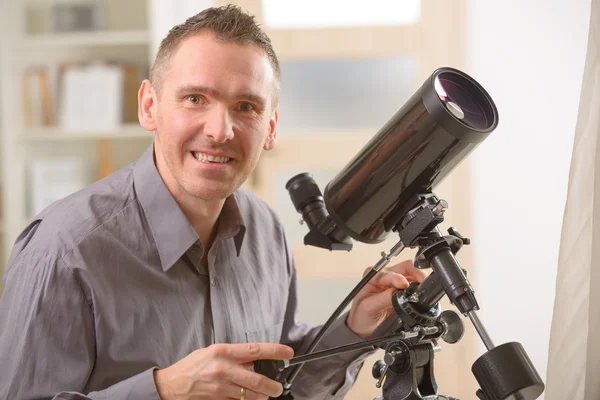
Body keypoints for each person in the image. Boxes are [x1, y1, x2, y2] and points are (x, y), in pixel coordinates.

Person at [0, 5, 427, 400]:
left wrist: (356, 327)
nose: (220, 130)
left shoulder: (266, 230)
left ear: (271, 128)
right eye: (194, 99)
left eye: (245, 106)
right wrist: (163, 391)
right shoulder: (62, 248)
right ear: (149, 106)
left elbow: (280, 381)